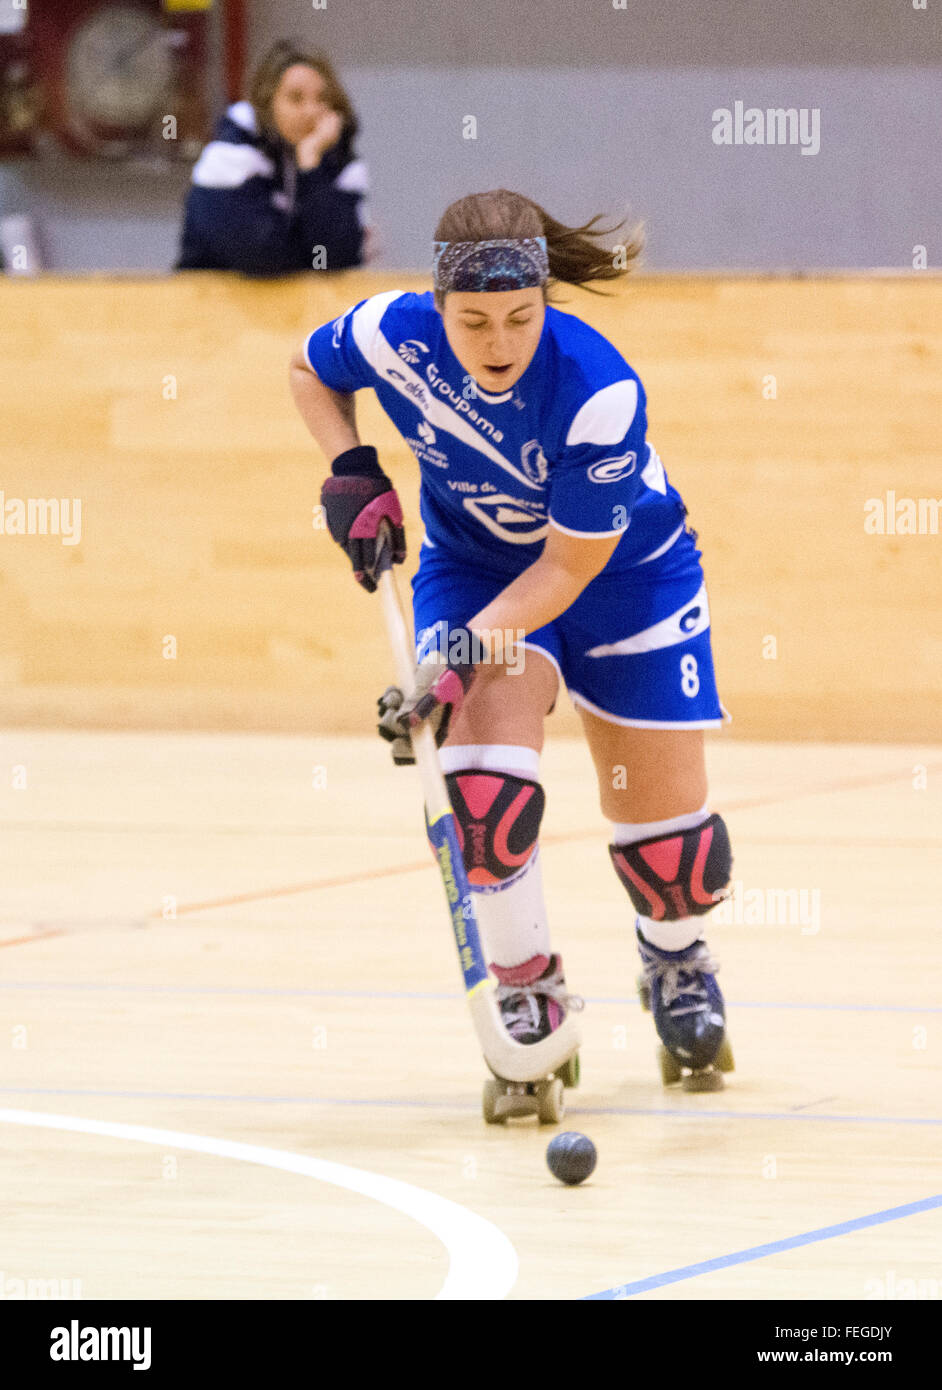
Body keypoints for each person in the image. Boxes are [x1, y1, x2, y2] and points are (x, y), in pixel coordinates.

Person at [289, 188, 735, 1090]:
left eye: (520, 319)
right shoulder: (391, 336)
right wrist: (351, 467)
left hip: (623, 579)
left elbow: (568, 571)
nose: (498, 344)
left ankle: (675, 958)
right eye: (474, 321)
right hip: (481, 569)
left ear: (546, 305)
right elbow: (308, 370)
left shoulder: (596, 392)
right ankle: (527, 987)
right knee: (483, 798)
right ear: (439, 308)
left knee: (672, 855)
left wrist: (451, 656)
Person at [177, 41, 368, 275]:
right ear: (267, 102)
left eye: (321, 99)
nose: (312, 111)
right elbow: (264, 260)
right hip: (207, 306)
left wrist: (310, 166)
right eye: (296, 98)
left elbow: (340, 257)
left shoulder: (332, 159)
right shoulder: (227, 156)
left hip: (306, 309)